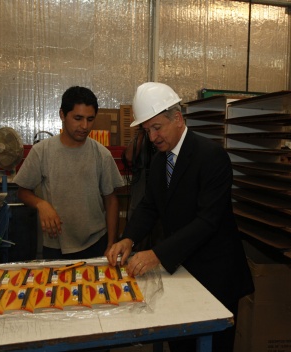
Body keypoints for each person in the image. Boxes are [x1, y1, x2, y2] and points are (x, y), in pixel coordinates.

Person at [107, 82, 254, 352]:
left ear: (177, 118)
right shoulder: (161, 160)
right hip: (181, 268)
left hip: (215, 275)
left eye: (157, 128)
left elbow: (208, 221)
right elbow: (150, 205)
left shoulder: (211, 157)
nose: (151, 138)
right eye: (147, 130)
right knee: (182, 344)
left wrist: (157, 254)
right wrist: (129, 237)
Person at [14, 86, 124, 260]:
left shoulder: (101, 154)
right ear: (62, 115)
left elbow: (111, 200)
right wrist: (41, 204)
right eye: (78, 118)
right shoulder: (41, 151)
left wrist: (111, 243)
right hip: (55, 246)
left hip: (96, 243)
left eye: (90, 119)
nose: (84, 126)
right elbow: (22, 191)